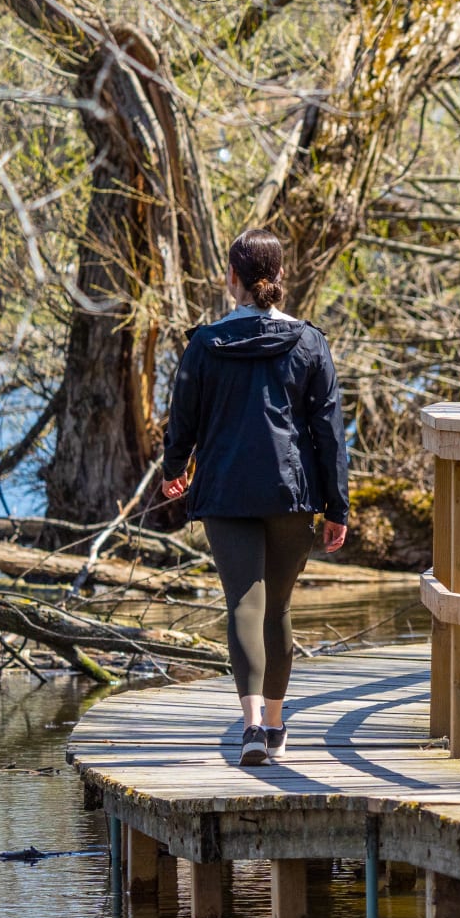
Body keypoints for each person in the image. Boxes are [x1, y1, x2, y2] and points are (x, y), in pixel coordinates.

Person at [160, 227, 349, 766]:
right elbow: (329, 433)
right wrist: (337, 506)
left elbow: (183, 419)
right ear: (280, 277)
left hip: (224, 491)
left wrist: (176, 468)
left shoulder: (204, 344)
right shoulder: (310, 342)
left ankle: (248, 729)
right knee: (279, 609)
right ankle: (275, 723)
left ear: (232, 280)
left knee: (243, 602)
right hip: (291, 494)